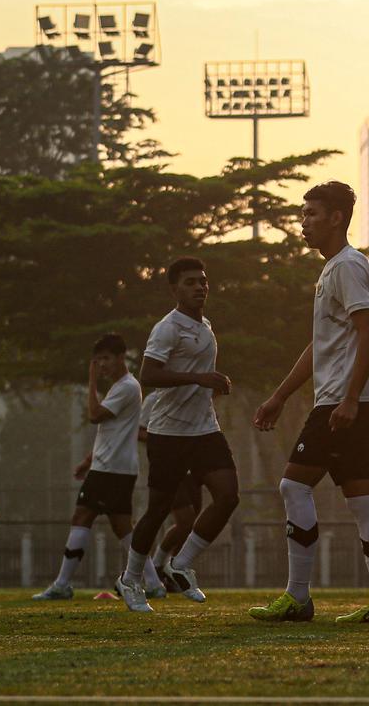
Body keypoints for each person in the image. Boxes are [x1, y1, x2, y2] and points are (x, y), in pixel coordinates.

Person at [249, 181, 369, 624]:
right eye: (303, 214)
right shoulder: (334, 269)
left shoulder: (347, 266)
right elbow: (321, 346)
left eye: (312, 214)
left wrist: (349, 399)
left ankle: (298, 598)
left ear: (337, 218)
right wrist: (280, 396)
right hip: (346, 400)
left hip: (343, 402)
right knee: (362, 501)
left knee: (293, 486)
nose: (303, 223)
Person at [116, 258, 241, 612]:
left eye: (203, 281)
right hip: (168, 434)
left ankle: (181, 564)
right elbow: (149, 375)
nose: (200, 287)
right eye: (190, 282)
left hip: (205, 430)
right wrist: (200, 378)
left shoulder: (206, 326)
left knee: (228, 496)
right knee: (157, 511)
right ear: (174, 289)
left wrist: (214, 382)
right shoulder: (167, 328)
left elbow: (197, 373)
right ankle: (130, 578)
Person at [36, 334, 165, 601]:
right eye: (97, 360)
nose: (102, 365)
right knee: (123, 528)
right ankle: (153, 583)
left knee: (82, 516)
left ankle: (62, 584)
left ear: (121, 358)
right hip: (113, 467)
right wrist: (88, 461)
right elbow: (112, 433)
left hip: (110, 470)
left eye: (105, 359)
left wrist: (91, 380)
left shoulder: (127, 387)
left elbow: (95, 416)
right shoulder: (122, 387)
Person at [137, 391, 205, 593]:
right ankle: (157, 568)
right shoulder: (153, 399)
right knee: (185, 518)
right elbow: (139, 431)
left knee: (189, 524)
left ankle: (170, 569)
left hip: (193, 469)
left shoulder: (192, 395)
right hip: (169, 468)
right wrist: (168, 440)